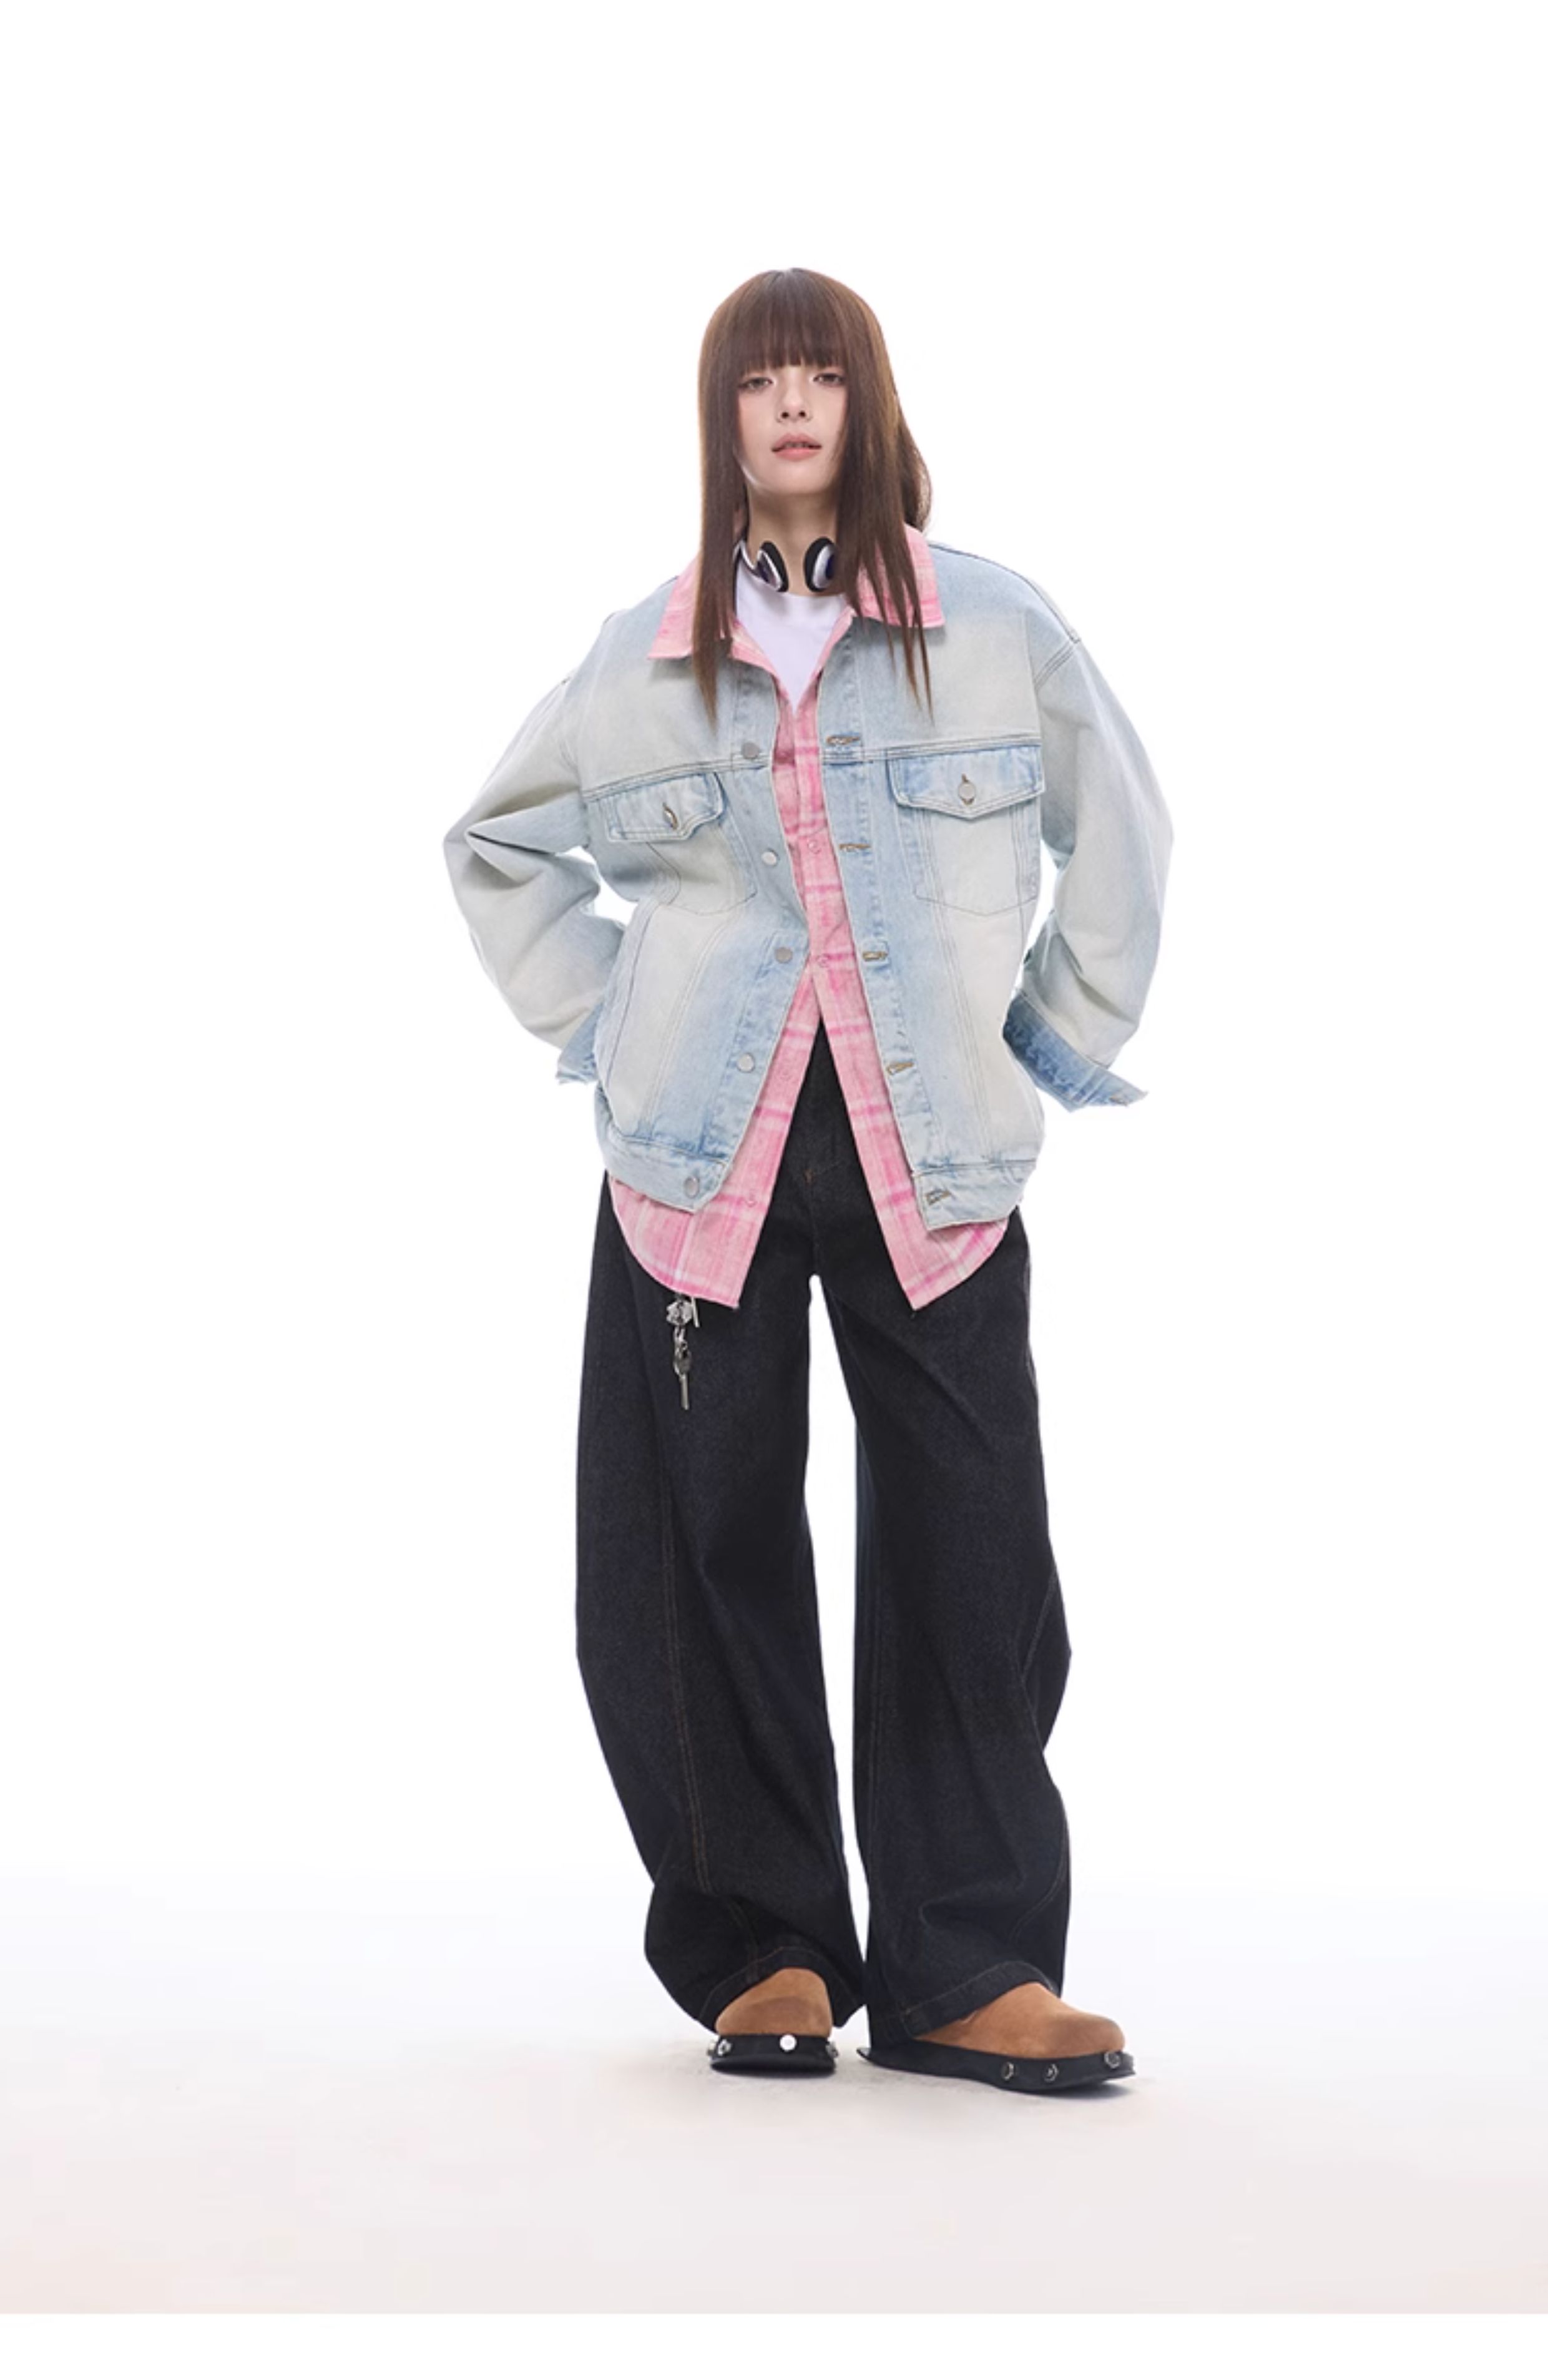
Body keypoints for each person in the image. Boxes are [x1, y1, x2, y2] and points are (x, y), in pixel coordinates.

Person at [442, 267, 1172, 2096]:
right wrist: (613, 1028)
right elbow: (496, 843)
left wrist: (1047, 1039)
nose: (788, 405)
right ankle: (761, 1946)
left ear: (865, 401)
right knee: (696, 1548)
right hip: (704, 1150)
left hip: (936, 1151)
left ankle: (970, 1964)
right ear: (721, 417)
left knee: (972, 1545)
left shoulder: (994, 626)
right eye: (757, 379)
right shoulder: (640, 655)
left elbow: (1121, 831)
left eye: (818, 375)